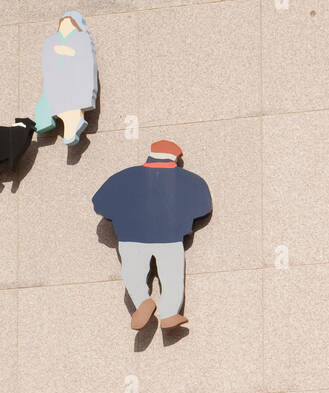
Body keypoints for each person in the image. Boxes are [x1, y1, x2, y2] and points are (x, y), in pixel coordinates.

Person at [92, 140, 212, 331]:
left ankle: (142, 303)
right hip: (170, 237)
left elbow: (100, 203)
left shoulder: (123, 177)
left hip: (131, 236)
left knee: (132, 273)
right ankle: (169, 313)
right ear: (175, 158)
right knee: (172, 276)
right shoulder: (189, 179)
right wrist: (183, 221)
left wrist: (121, 217)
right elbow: (203, 206)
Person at [35, 11, 98, 146]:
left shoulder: (82, 38)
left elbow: (87, 61)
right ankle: (69, 126)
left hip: (74, 81)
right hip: (56, 82)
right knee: (62, 108)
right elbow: (47, 65)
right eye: (62, 24)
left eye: (69, 23)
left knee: (72, 108)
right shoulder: (51, 41)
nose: (64, 27)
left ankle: (73, 126)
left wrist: (71, 53)